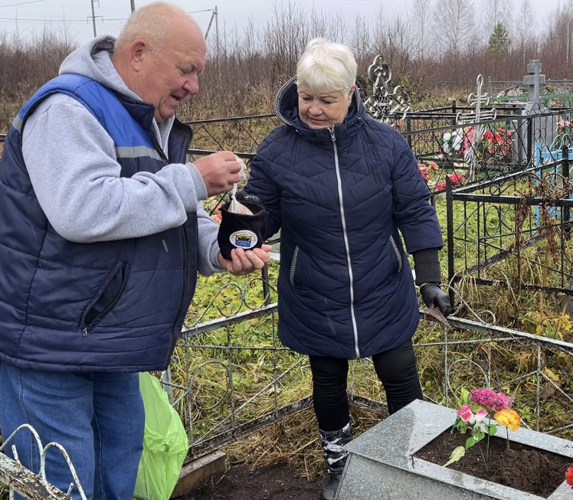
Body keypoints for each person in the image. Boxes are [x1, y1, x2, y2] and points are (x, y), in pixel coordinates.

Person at [0, 3, 270, 499]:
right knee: (62, 483)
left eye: (198, 73)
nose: (194, 86)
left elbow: (167, 211)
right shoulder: (67, 109)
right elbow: (83, 209)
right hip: (48, 344)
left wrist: (216, 249)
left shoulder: (147, 120)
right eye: (186, 70)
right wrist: (193, 178)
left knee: (116, 471)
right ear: (139, 53)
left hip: (110, 342)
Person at [244, 38, 451, 499]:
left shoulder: (386, 144)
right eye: (305, 97)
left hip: (381, 281)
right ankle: (339, 463)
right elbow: (262, 213)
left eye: (326, 100)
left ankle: (407, 461)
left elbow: (414, 210)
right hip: (315, 287)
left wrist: (430, 278)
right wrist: (244, 224)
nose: (313, 110)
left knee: (400, 369)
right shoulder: (277, 151)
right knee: (328, 379)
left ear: (351, 93)